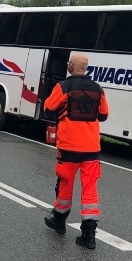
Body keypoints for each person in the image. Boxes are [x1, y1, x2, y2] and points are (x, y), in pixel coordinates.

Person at [42, 52, 109, 249]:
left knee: (65, 186)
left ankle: (59, 222)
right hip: (91, 148)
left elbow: (48, 107)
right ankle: (89, 235)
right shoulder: (98, 89)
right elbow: (104, 115)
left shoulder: (63, 87)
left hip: (69, 146)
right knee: (90, 190)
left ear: (71, 66)